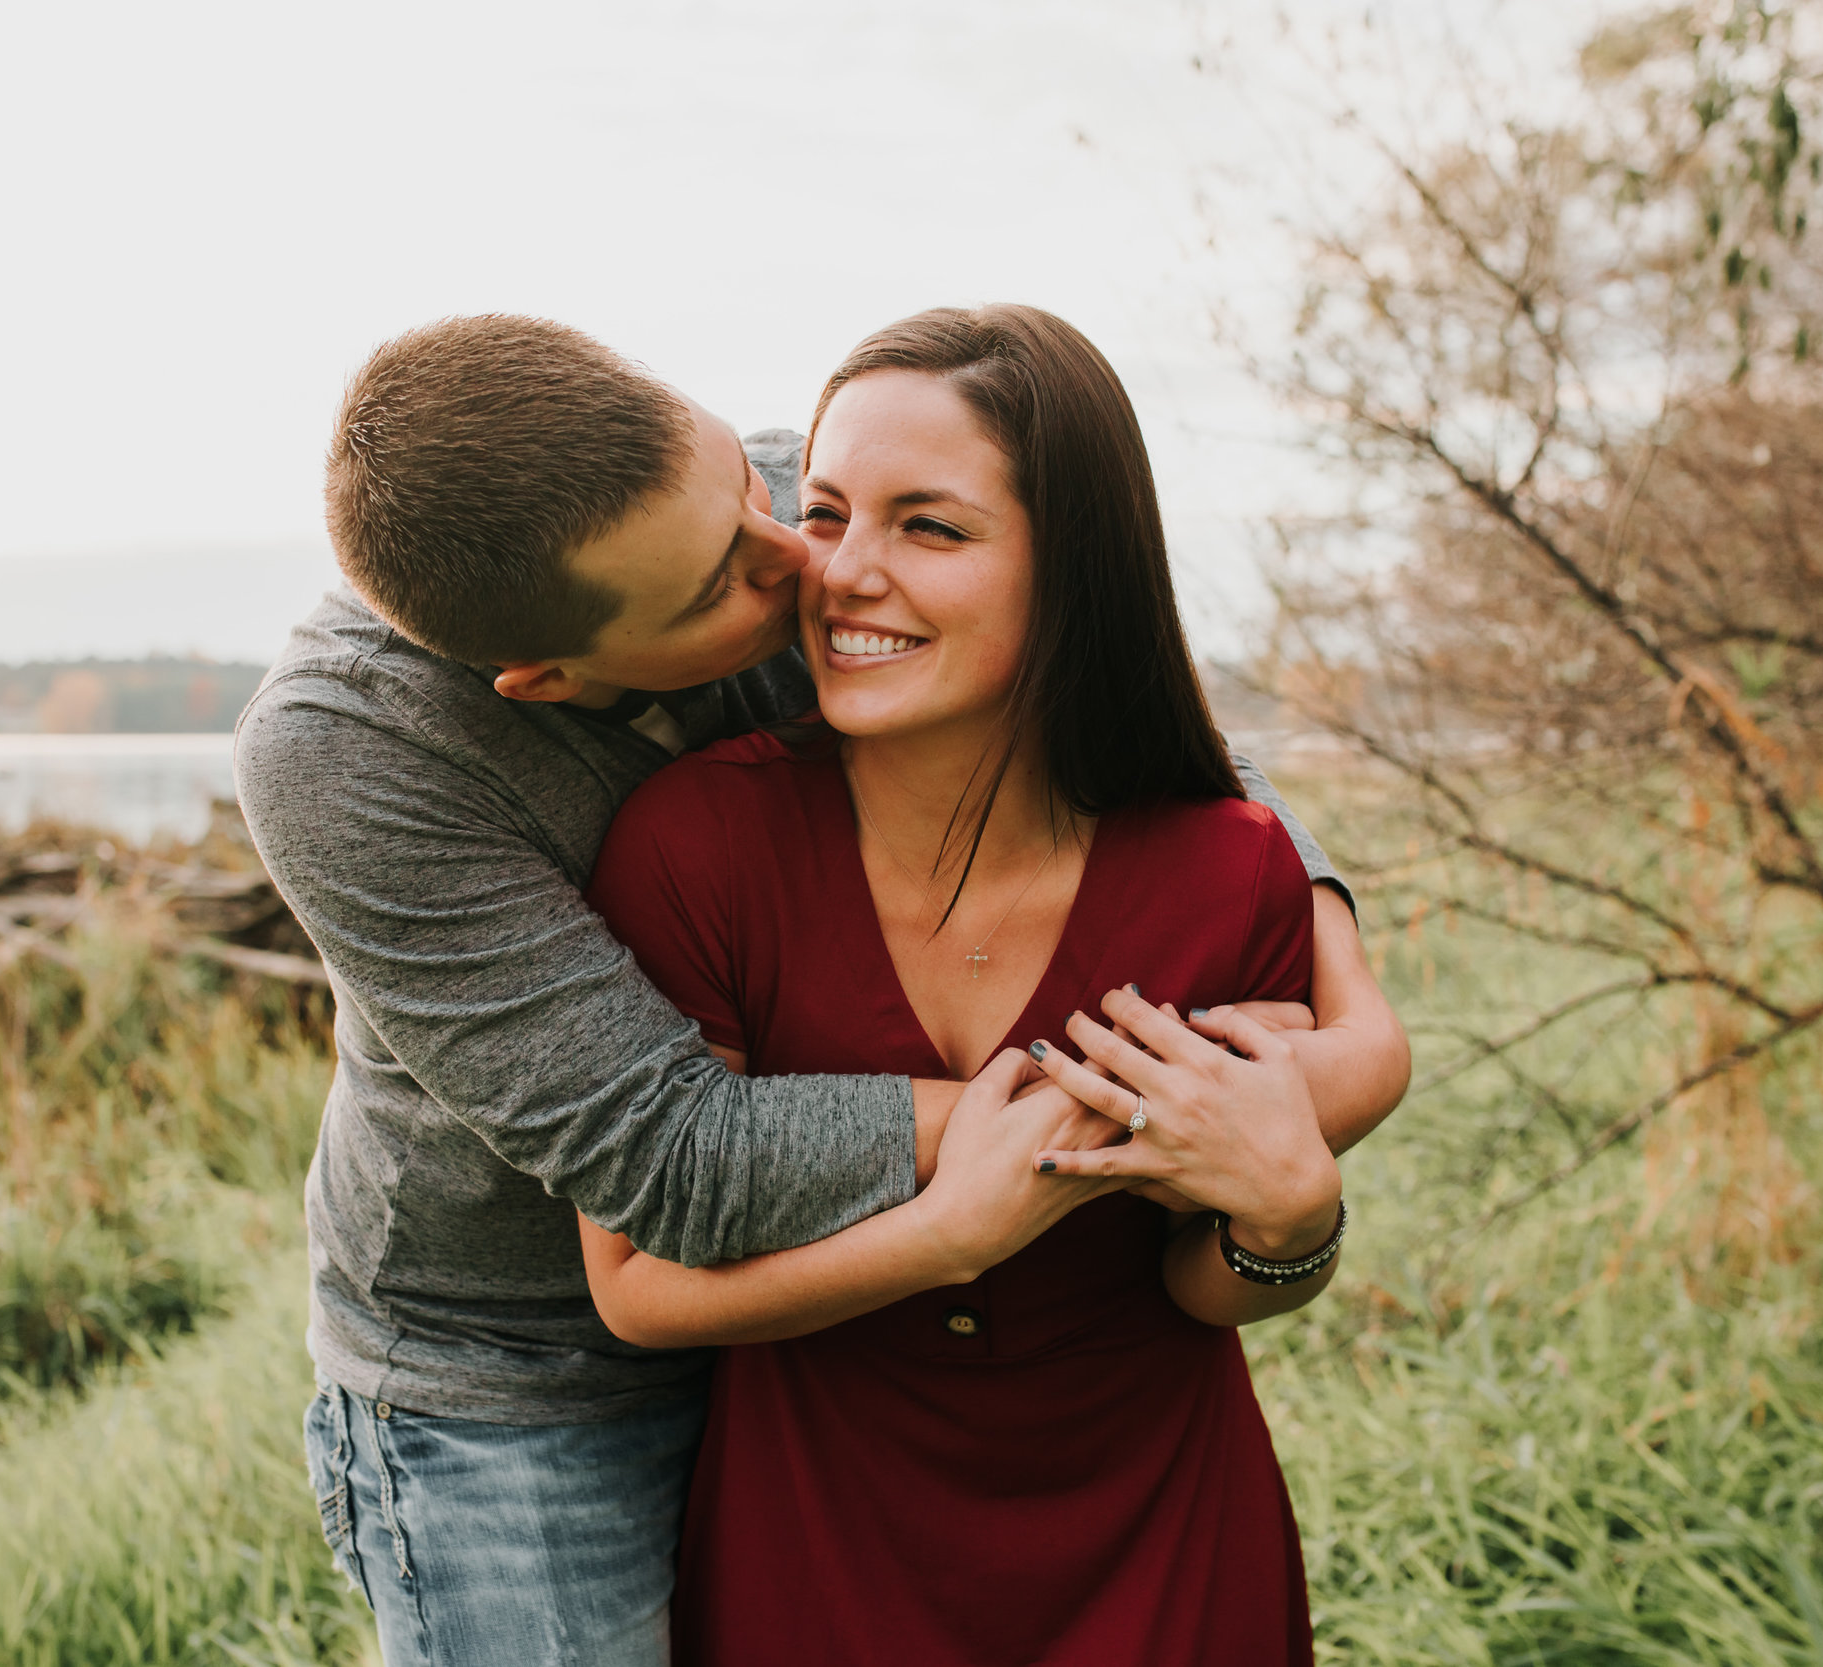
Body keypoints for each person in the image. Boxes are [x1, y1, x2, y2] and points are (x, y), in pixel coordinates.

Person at [233, 315, 1409, 1667]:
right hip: (521, 1383)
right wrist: (1106, 1102)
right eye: (722, 585)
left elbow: (1124, 713)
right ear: (550, 678)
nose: (810, 565)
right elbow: (674, 1157)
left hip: (819, 1347)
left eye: (758, 490)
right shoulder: (350, 754)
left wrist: (1356, 1040)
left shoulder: (794, 506)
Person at [580, 305, 1367, 1665]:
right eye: (825, 515)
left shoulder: (1226, 869)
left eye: (928, 528)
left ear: (1074, 572)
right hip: (820, 1550)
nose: (843, 574)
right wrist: (950, 1234)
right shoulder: (693, 847)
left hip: (1163, 1542)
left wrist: (1292, 1217)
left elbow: (1196, 1283)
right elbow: (639, 1282)